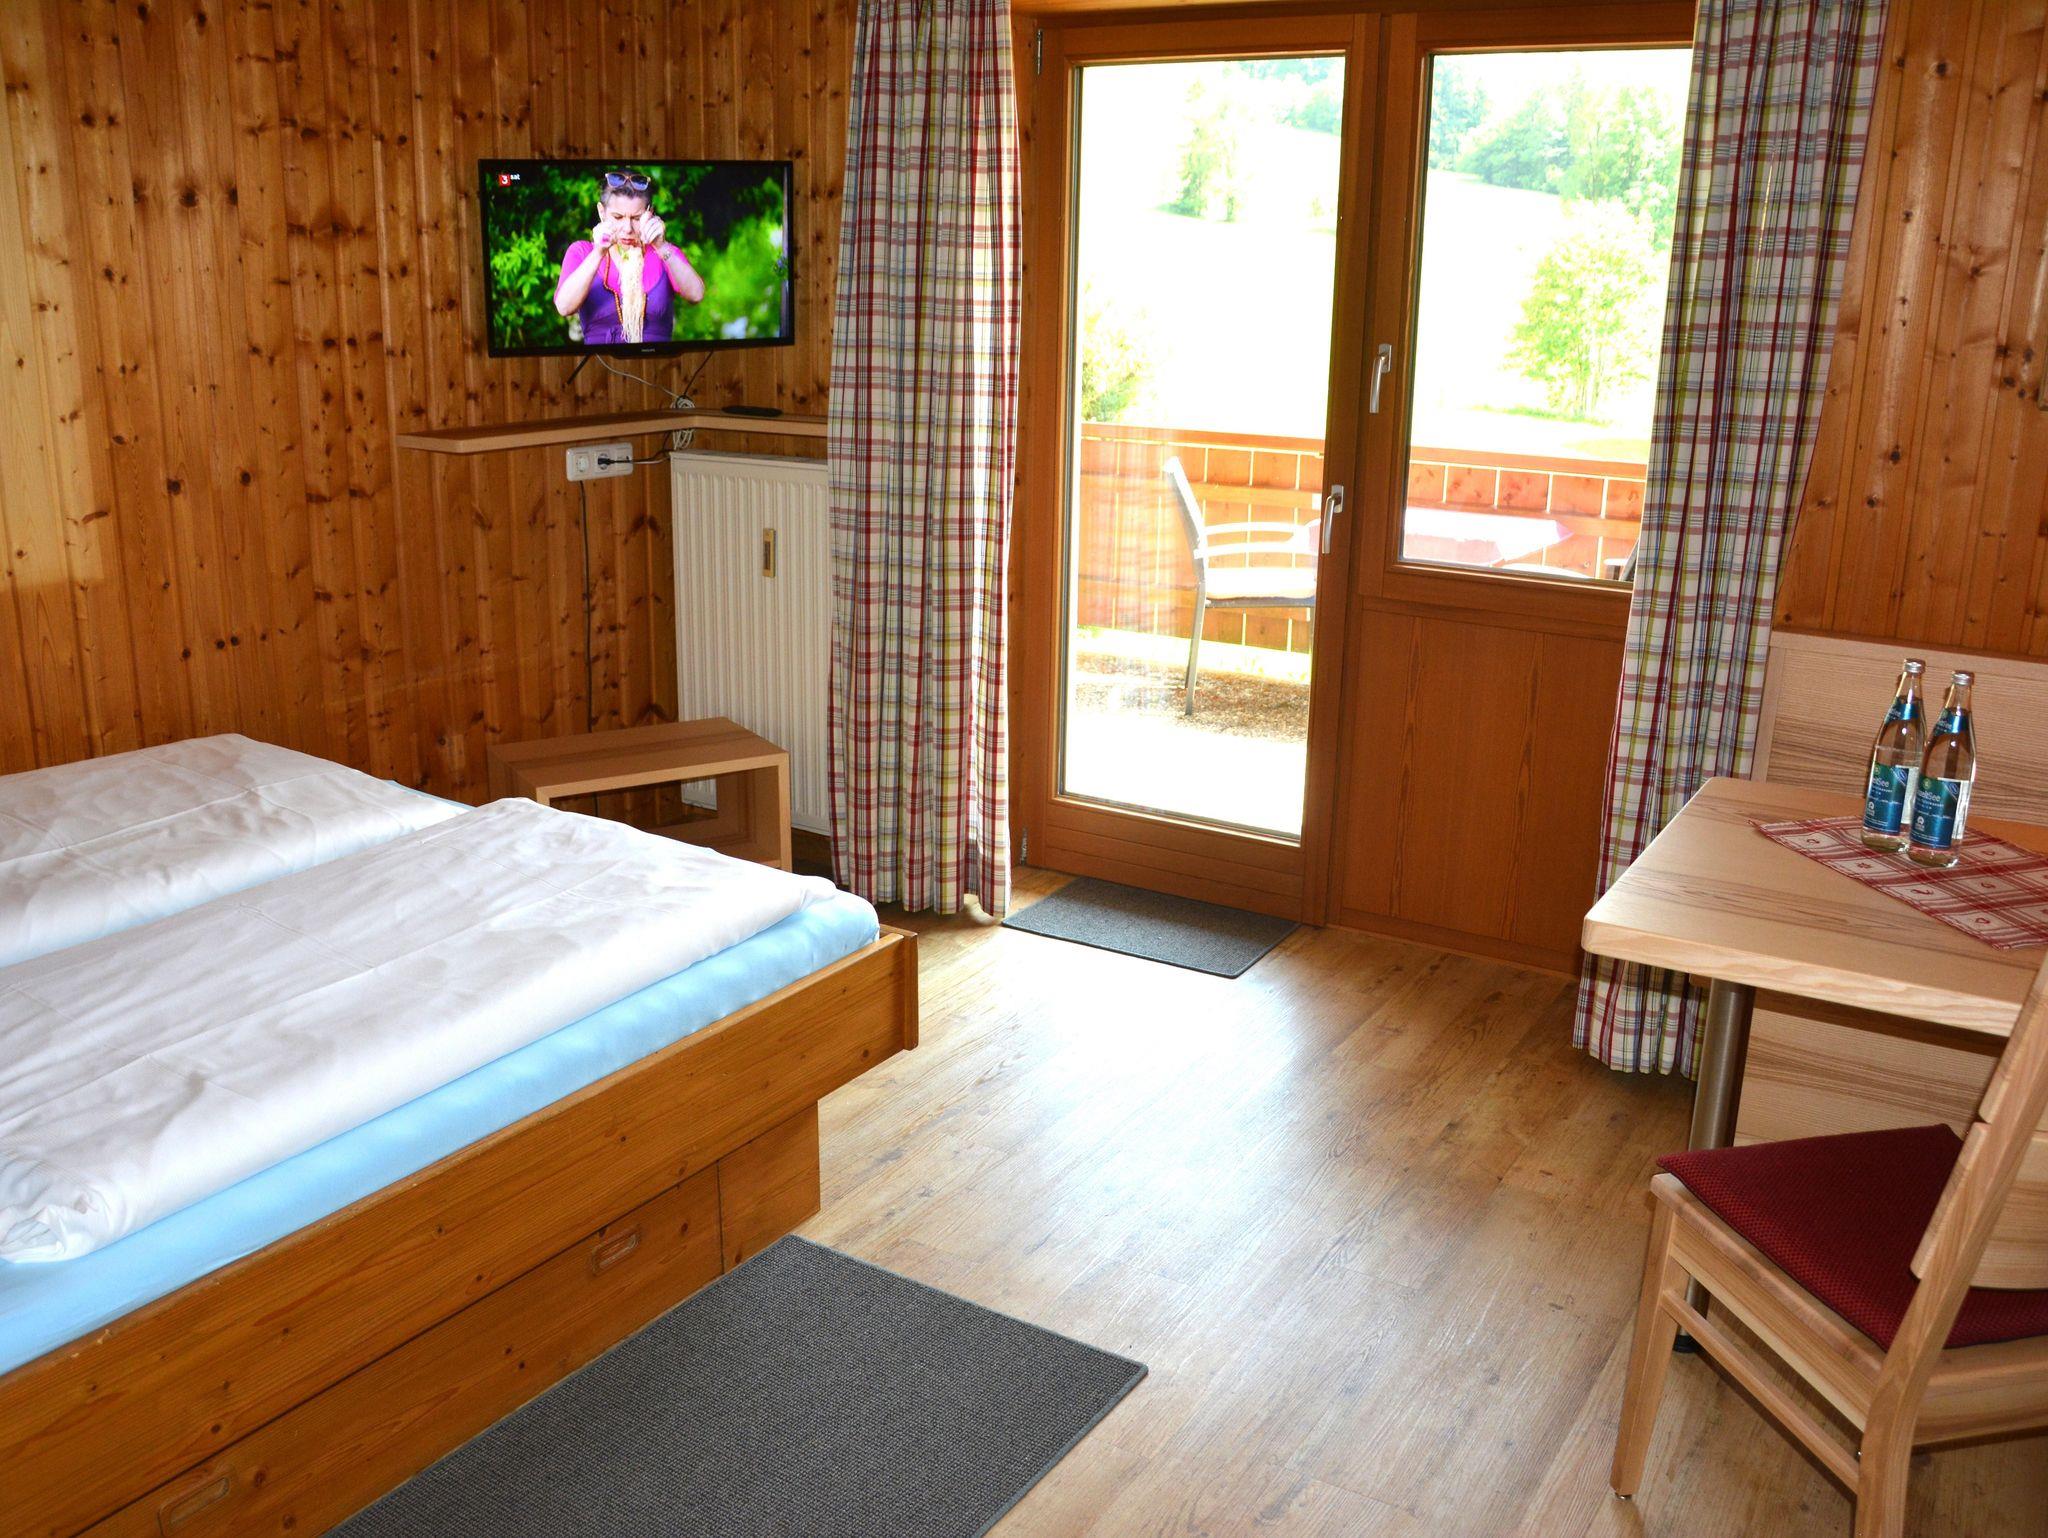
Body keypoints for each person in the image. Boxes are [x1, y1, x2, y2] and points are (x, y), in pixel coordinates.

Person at [553, 170, 705, 345]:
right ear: (602, 212)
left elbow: (696, 295)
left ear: (650, 212)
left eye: (636, 218)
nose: (627, 228)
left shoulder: (664, 253)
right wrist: (598, 253)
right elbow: (564, 307)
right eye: (617, 217)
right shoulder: (582, 252)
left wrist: (662, 246)